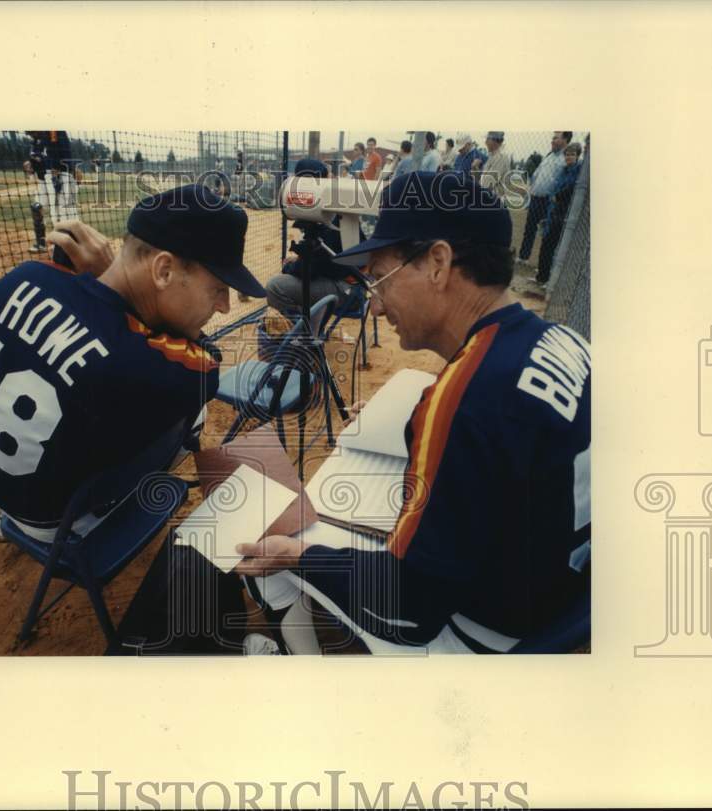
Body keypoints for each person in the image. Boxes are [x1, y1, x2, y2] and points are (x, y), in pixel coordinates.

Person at [236, 171, 591, 652]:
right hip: (563, 607)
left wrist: (300, 556)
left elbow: (406, 608)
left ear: (439, 264)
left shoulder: (466, 398)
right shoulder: (563, 339)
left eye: (379, 276)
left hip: (486, 638)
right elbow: (503, 435)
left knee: (278, 552)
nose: (375, 307)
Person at [0, 185, 267, 544]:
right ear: (163, 271)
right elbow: (208, 364)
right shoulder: (165, 370)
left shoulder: (26, 274)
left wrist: (110, 278)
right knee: (193, 417)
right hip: (52, 522)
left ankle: (5, 523)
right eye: (218, 288)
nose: (224, 306)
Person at [264, 159, 361, 319]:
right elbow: (322, 259)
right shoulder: (335, 205)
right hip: (347, 283)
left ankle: (300, 337)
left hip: (348, 291)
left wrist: (291, 267)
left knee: (275, 287)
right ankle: (312, 330)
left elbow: (311, 269)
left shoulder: (329, 214)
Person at [518, 131, 572, 263]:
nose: (552, 140)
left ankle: (543, 265)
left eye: (556, 138)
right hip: (536, 197)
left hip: (549, 201)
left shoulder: (565, 159)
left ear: (565, 140)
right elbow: (537, 174)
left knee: (547, 233)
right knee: (529, 228)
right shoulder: (549, 156)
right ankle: (523, 257)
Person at [23, 130, 79, 252]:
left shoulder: (54, 132)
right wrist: (30, 165)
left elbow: (62, 152)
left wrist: (56, 168)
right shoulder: (36, 141)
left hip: (60, 173)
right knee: (37, 207)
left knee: (63, 210)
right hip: (44, 178)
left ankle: (69, 243)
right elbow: (39, 159)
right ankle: (41, 242)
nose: (29, 134)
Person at [536, 142, 583, 284]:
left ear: (578, 156)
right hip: (553, 211)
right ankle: (541, 277)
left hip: (563, 214)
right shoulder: (563, 170)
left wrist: (558, 196)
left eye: (572, 154)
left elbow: (570, 190)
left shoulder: (578, 171)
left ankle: (547, 279)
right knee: (546, 244)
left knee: (552, 246)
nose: (569, 157)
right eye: (567, 154)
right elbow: (554, 188)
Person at [473, 131, 512, 197]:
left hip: (493, 201)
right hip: (488, 198)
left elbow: (487, 185)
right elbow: (483, 181)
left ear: (495, 141)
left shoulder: (500, 158)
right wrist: (475, 168)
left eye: (488, 139)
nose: (485, 142)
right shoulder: (492, 156)